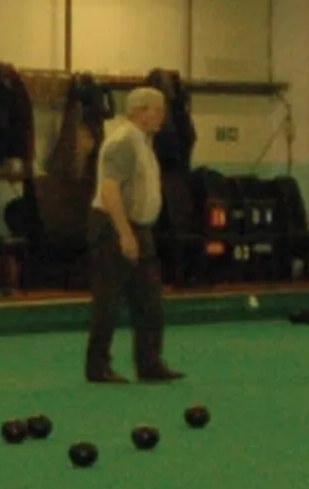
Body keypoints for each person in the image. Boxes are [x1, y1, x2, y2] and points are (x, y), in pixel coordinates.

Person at [84, 88, 184, 384]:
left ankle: (149, 363)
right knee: (109, 300)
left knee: (150, 300)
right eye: (158, 110)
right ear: (141, 111)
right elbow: (110, 190)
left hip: (139, 227)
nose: (163, 116)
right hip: (115, 226)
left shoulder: (142, 141)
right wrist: (125, 234)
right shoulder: (124, 142)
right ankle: (97, 366)